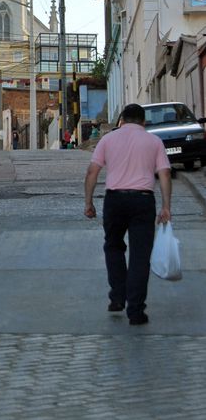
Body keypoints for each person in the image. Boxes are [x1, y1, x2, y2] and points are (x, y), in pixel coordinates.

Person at [84, 103, 172, 326]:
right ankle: (135, 311)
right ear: (144, 121)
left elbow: (93, 171)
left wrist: (89, 203)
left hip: (115, 200)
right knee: (140, 257)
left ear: (122, 120)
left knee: (113, 246)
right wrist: (166, 207)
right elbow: (164, 174)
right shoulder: (154, 142)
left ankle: (117, 298)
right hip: (143, 200)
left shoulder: (108, 140)